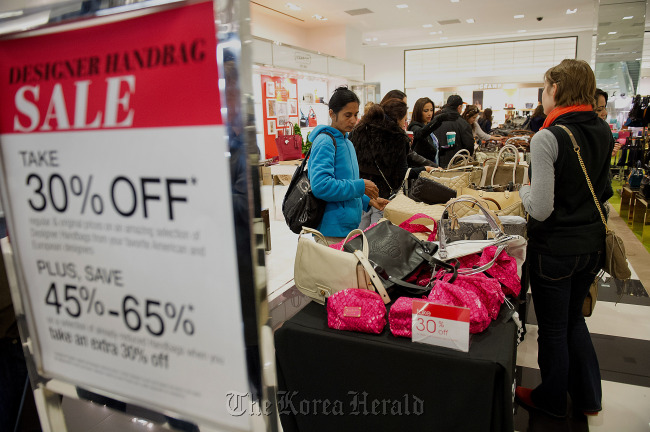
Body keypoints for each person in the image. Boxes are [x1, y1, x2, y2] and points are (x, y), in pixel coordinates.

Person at [516, 59, 612, 418]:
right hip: (591, 246)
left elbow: (539, 207)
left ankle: (551, 399)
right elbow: (603, 192)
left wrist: (524, 188)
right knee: (574, 320)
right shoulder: (603, 130)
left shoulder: (548, 136)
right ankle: (589, 397)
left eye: (544, 88)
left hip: (555, 249)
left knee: (554, 329)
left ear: (554, 90)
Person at [308, 86, 383, 244]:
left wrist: (367, 200)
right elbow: (321, 186)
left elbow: (345, 182)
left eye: (356, 115)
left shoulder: (346, 141)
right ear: (332, 114)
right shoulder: (325, 142)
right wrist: (360, 186)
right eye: (347, 115)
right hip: (330, 232)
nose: (353, 120)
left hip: (348, 229)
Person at [352, 98, 434, 228]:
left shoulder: (360, 131)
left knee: (359, 237)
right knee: (377, 238)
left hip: (361, 195)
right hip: (384, 197)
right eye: (404, 119)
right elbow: (401, 174)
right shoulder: (397, 138)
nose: (405, 123)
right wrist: (424, 169)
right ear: (397, 119)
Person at [433, 95, 474, 167]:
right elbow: (469, 146)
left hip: (436, 164)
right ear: (459, 107)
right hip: (456, 166)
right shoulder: (463, 123)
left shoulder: (435, 119)